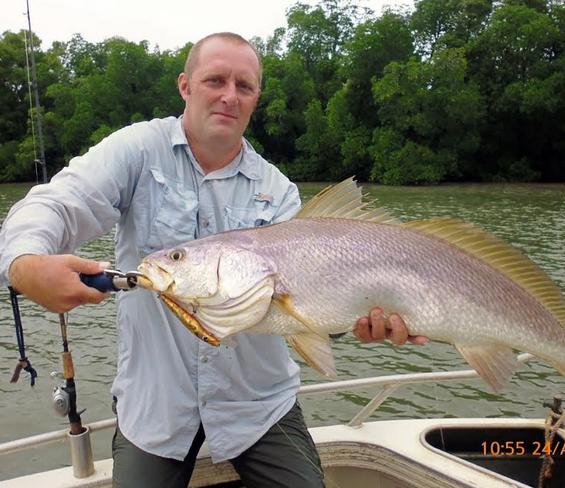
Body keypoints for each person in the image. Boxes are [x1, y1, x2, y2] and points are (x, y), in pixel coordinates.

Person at [0, 33, 425, 487]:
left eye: (244, 86)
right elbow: (55, 204)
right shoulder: (136, 151)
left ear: (256, 98)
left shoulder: (279, 192)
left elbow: (310, 308)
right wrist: (26, 264)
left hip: (258, 404)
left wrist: (358, 321)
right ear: (185, 85)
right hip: (154, 407)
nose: (229, 95)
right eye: (215, 80)